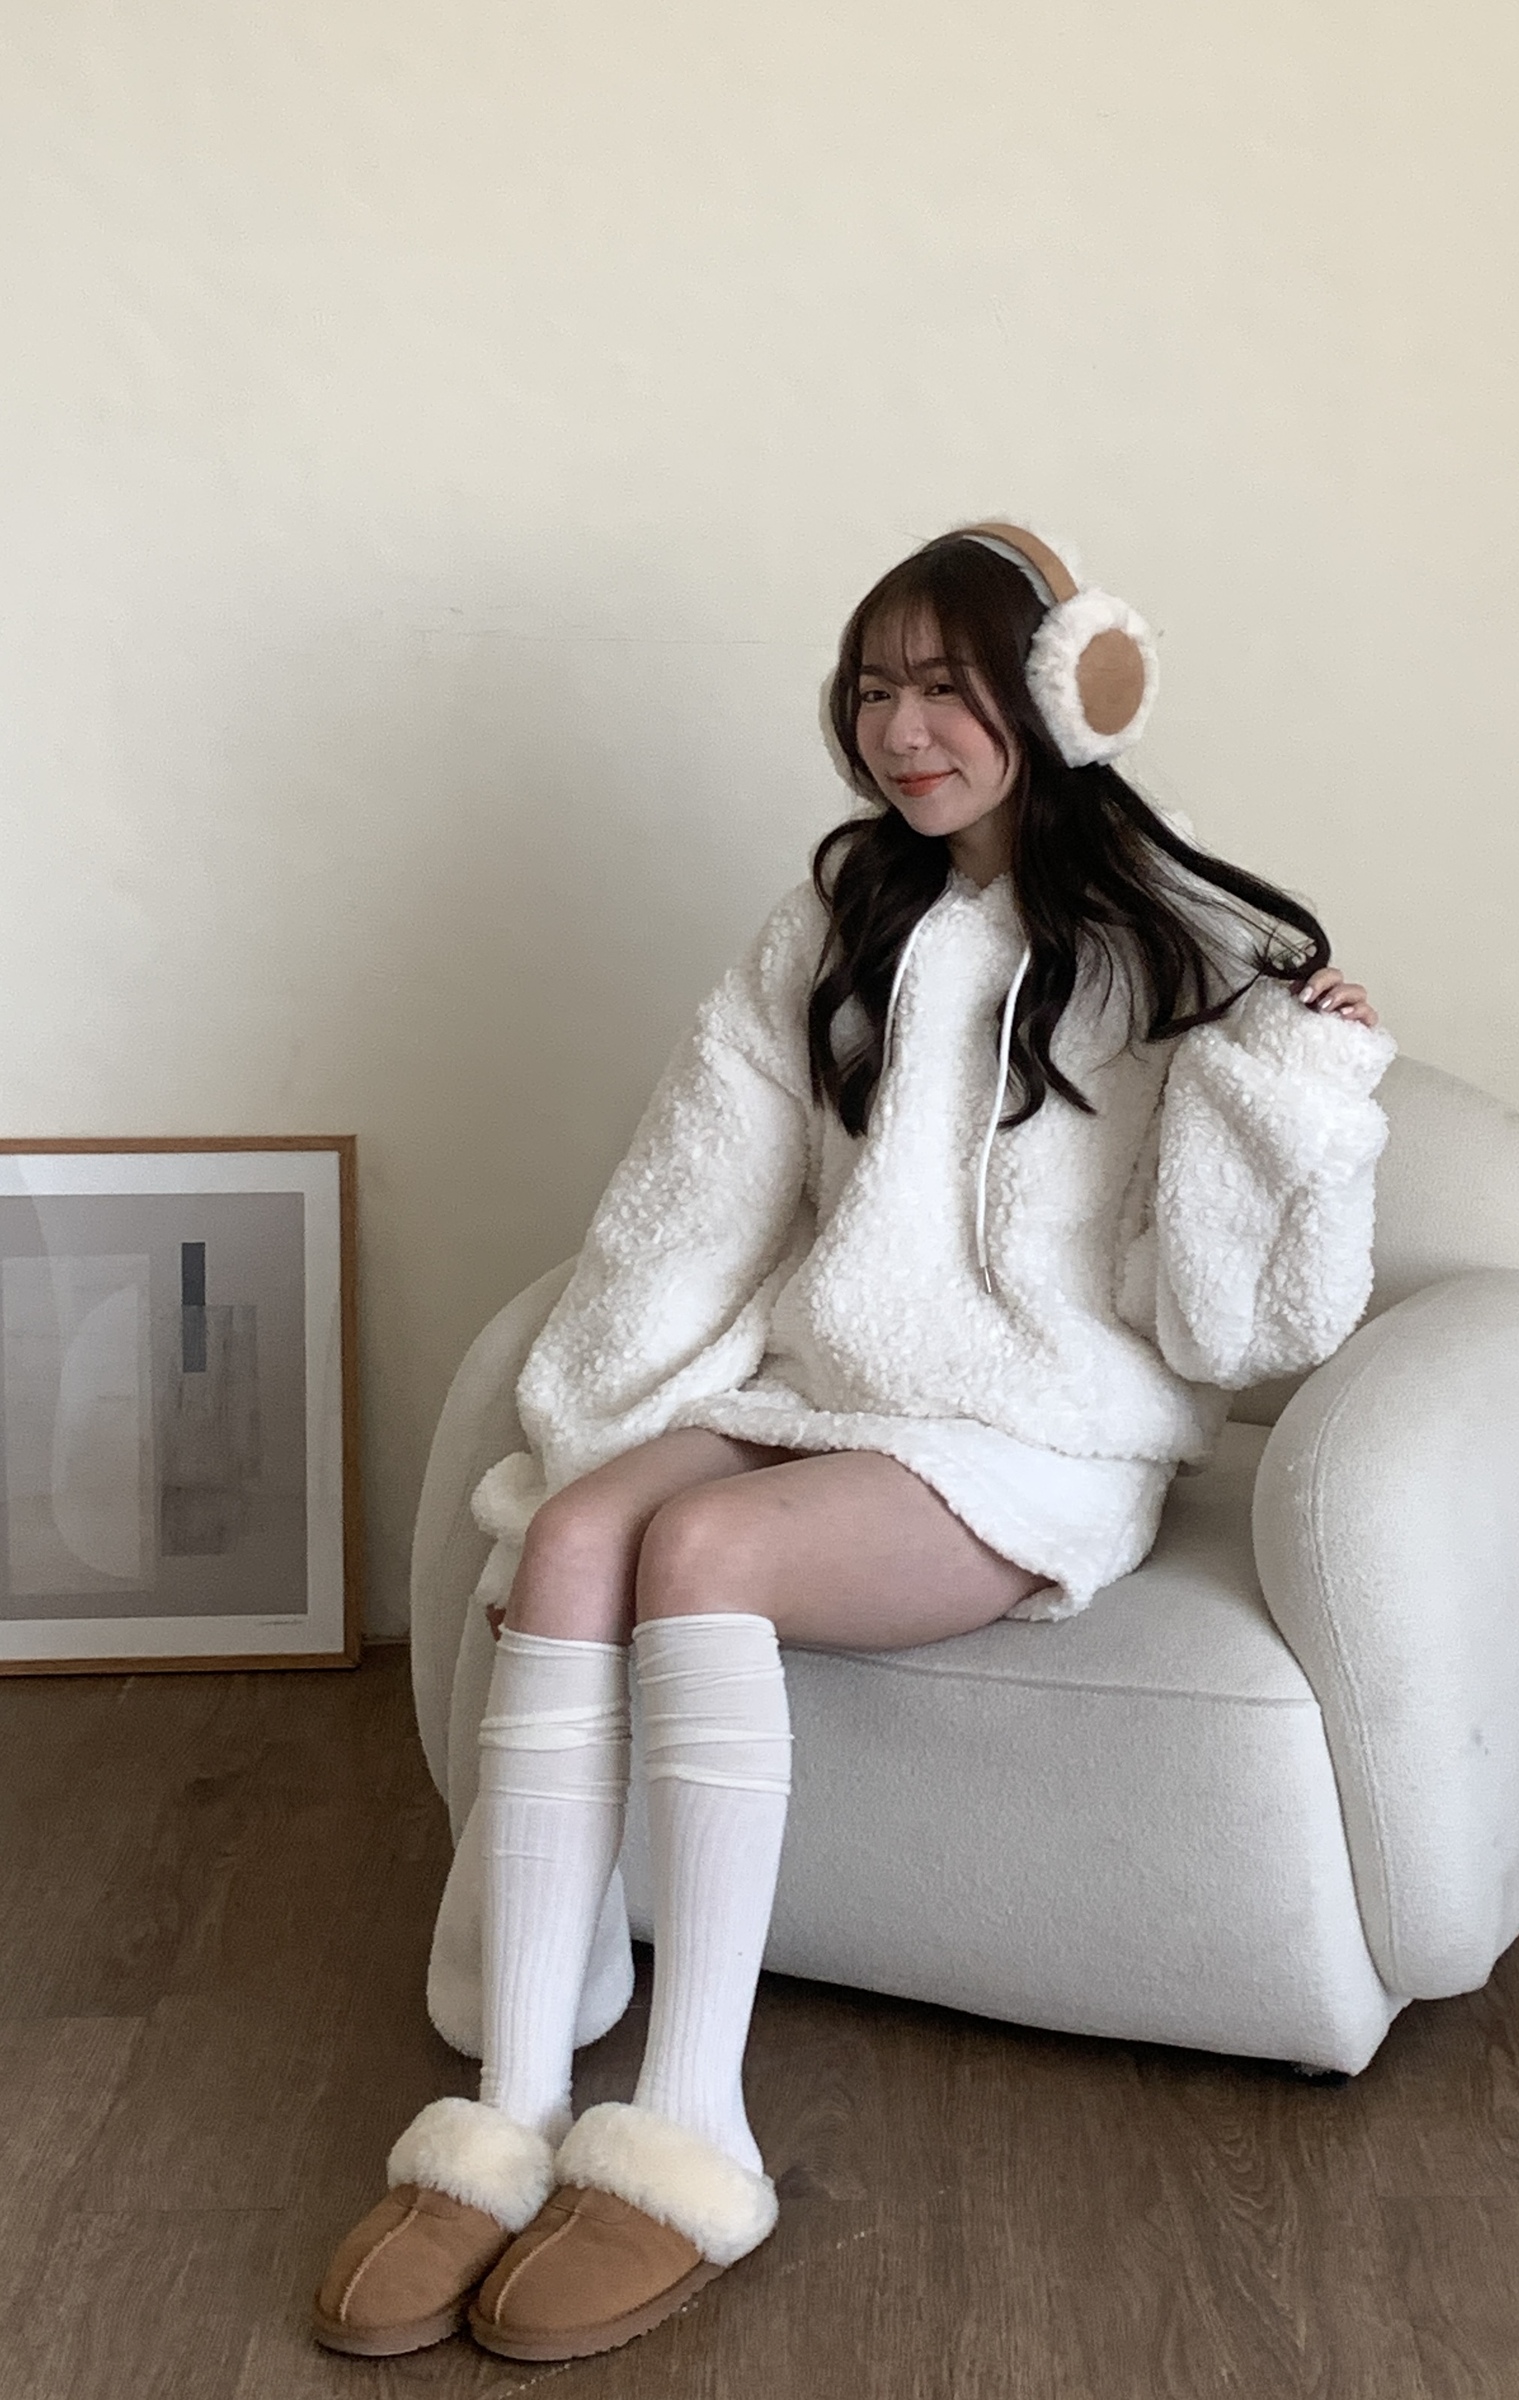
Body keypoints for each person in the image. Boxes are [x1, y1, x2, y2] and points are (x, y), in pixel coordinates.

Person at [313, 523, 1392, 2363]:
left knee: (703, 1554)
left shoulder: (1178, 946)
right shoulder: (832, 922)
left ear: (1062, 694)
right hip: (826, 1392)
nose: (904, 729)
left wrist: (1300, 1089)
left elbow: (1232, 1319)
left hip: (1040, 1434)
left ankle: (687, 2133)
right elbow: (697, 1196)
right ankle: (506, 2121)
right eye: (877, 688)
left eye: (948, 688)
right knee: (571, 1534)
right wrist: (600, 1415)